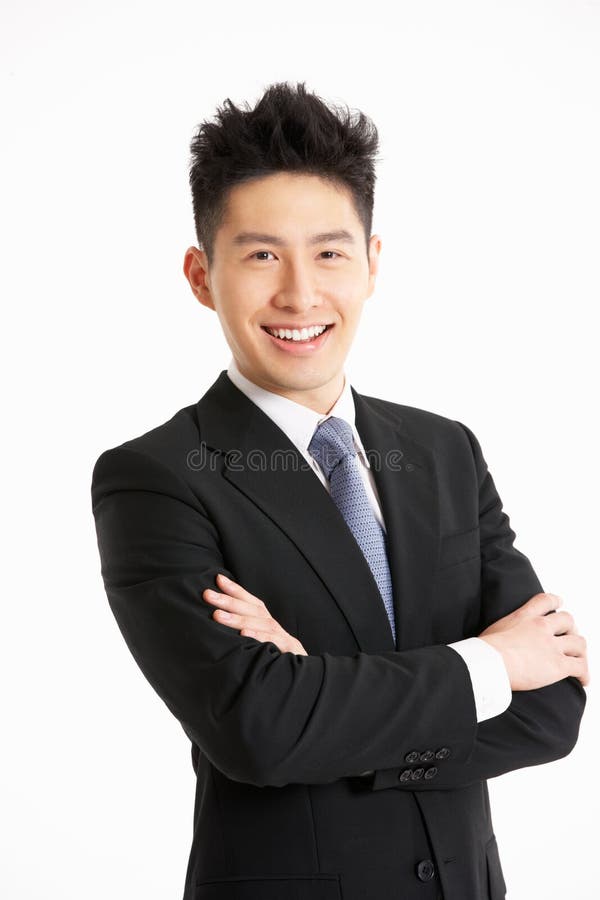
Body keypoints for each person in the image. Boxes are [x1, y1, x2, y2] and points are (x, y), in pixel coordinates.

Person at [91, 81, 588, 900]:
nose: (299, 294)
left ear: (372, 262)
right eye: (260, 255)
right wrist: (493, 663)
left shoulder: (444, 450)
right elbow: (259, 731)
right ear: (200, 274)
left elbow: (554, 707)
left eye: (329, 252)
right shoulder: (156, 478)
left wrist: (320, 684)